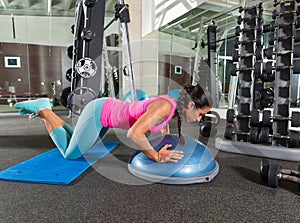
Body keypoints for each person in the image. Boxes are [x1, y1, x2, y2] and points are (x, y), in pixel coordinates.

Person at [14, 84, 212, 163]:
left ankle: (44, 111)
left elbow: (164, 121)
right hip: (99, 113)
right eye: (201, 114)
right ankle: (44, 109)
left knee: (77, 144)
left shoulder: (177, 102)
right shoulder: (166, 107)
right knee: (70, 154)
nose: (200, 119)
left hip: (107, 114)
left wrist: (165, 141)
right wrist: (156, 156)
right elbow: (134, 134)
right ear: (192, 105)